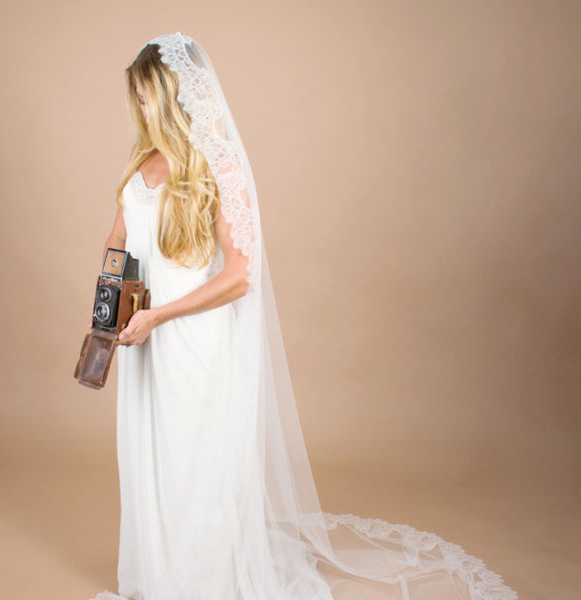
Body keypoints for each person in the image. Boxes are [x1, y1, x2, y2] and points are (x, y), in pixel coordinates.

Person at [89, 33, 518, 600]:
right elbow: (118, 241)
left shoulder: (220, 167)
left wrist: (161, 316)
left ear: (174, 97)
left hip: (189, 338)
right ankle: (156, 574)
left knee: (195, 462)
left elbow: (241, 276)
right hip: (140, 335)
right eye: (137, 99)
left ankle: (198, 583)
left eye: (147, 98)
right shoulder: (141, 161)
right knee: (150, 458)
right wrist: (108, 308)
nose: (140, 110)